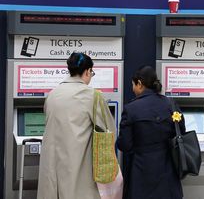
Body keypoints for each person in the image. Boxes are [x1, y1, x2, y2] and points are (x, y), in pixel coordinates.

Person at [37, 53, 116, 199]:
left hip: (51, 168)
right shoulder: (93, 96)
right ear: (87, 71)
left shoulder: (52, 94)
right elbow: (109, 131)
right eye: (91, 73)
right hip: (78, 168)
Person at [117, 66, 185, 199]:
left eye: (133, 85)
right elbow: (181, 131)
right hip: (168, 172)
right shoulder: (170, 104)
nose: (133, 88)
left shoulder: (131, 109)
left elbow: (125, 145)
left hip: (141, 174)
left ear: (140, 84)